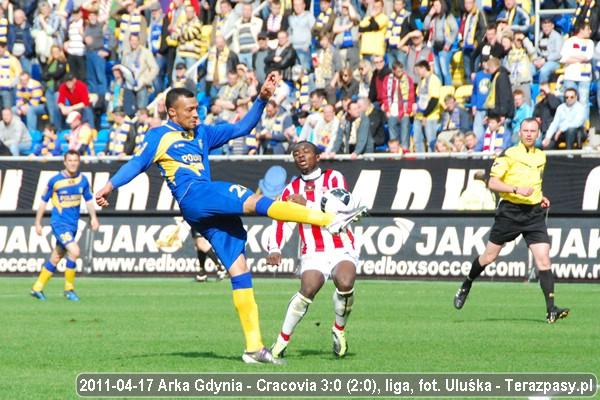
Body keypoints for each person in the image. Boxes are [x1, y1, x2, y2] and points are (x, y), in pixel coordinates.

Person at [94, 74, 367, 364]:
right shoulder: (159, 136)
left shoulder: (202, 133)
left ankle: (253, 348)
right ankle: (327, 219)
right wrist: (110, 186)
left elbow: (242, 127)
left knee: (239, 269)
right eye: (189, 110)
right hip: (194, 195)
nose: (196, 115)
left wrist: (261, 99)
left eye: (197, 109)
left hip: (206, 212)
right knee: (253, 201)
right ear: (171, 112)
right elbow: (137, 163)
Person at [454, 118, 570, 324]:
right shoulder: (509, 154)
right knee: (489, 257)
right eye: (525, 130)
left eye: (533, 131)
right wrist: (516, 190)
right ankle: (467, 283)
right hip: (510, 212)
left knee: (543, 259)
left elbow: (535, 183)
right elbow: (492, 182)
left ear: (538, 133)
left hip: (533, 214)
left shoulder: (541, 156)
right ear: (519, 133)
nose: (529, 134)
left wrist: (539, 197)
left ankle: (551, 309)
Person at [268, 141, 358, 359]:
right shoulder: (290, 189)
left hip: (341, 245)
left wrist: (306, 204)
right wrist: (275, 248)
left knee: (345, 282)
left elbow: (340, 208)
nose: (300, 156)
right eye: (296, 154)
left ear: (317, 157)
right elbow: (280, 219)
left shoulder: (334, 178)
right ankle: (281, 341)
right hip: (313, 250)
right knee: (308, 288)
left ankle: (339, 329)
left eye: (306, 152)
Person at [31, 150, 100, 301]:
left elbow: (89, 201)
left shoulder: (83, 180)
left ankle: (37, 288)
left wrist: (94, 218)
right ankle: (69, 289)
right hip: (59, 224)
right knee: (74, 251)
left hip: (73, 225)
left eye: (75, 160)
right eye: (70, 160)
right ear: (65, 162)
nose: (73, 163)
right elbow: (43, 202)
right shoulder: (55, 181)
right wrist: (37, 222)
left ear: (79, 162)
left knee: (56, 257)